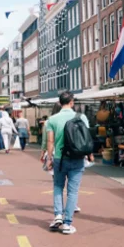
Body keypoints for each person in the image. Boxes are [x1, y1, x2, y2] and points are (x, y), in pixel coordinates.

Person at [46, 92, 91, 235]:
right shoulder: (81, 117)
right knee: (73, 191)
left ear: (60, 103)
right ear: (72, 102)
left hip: (59, 158)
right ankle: (67, 223)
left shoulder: (52, 119)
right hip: (77, 158)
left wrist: (49, 159)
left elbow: (50, 141)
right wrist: (89, 154)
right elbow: (86, 138)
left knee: (58, 186)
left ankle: (58, 214)